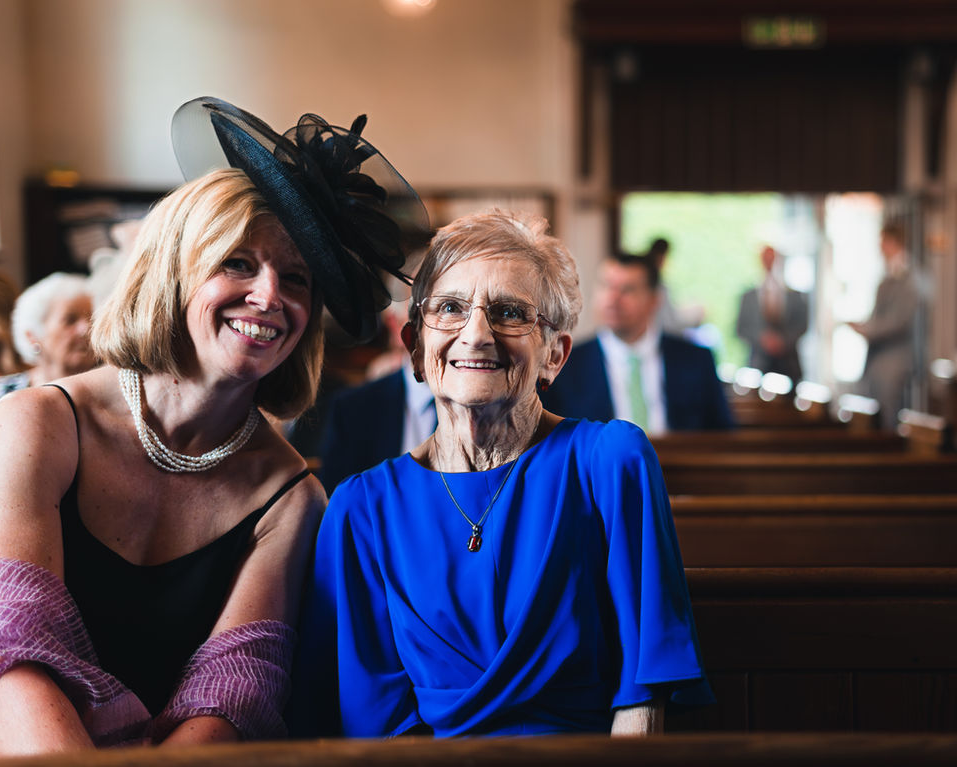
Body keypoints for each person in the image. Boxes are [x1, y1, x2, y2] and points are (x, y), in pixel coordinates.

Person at [0, 97, 427, 753]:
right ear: (172, 272)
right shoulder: (38, 423)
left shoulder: (290, 499)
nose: (269, 297)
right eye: (237, 263)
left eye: (296, 279)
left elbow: (227, 702)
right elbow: (15, 653)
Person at [291, 211, 709, 738]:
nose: (477, 335)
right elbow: (371, 720)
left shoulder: (610, 461)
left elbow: (642, 698)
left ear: (554, 355)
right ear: (417, 349)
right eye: (450, 308)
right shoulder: (362, 507)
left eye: (510, 312)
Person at [541, 253, 733, 432]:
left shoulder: (695, 360)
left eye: (627, 290)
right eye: (606, 286)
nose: (613, 299)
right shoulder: (564, 363)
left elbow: (723, 435)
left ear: (654, 300)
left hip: (681, 464)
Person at [308, 300, 436, 495]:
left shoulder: (491, 407)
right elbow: (338, 503)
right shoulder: (353, 409)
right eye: (425, 315)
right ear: (395, 323)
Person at [848, 223, 921, 428]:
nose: (880, 249)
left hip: (894, 360)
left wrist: (867, 329)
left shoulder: (908, 276)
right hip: (878, 359)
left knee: (889, 421)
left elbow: (899, 321)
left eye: (882, 243)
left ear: (893, 243)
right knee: (872, 419)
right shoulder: (888, 277)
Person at [0, 272, 97, 401]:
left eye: (91, 318)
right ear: (32, 337)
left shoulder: (114, 391)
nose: (86, 328)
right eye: (70, 320)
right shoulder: (3, 396)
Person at [735, 245, 809, 382]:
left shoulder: (795, 295)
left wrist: (782, 341)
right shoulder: (748, 296)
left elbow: (803, 325)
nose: (769, 263)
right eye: (766, 259)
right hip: (758, 364)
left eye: (772, 259)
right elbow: (740, 329)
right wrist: (762, 339)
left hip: (789, 367)